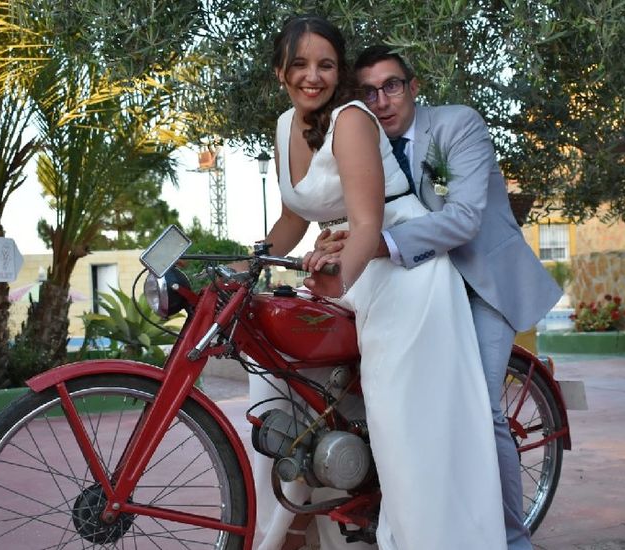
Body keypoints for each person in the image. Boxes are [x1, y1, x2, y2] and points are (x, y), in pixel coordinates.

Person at [250, 15, 508, 550]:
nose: (312, 76)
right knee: (288, 385)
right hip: (349, 269)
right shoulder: (282, 127)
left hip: (402, 277)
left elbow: (368, 224)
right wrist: (246, 263)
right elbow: (295, 219)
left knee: (402, 434)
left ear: (339, 71)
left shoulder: (350, 120)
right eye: (299, 64)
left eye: (325, 64)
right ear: (280, 72)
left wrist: (337, 280)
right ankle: (305, 518)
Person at [310, 46, 563, 550]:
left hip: (479, 283)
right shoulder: (362, 141)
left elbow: (466, 218)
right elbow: (362, 216)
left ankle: (511, 539)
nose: (381, 101)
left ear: (414, 86)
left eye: (392, 86)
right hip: (416, 282)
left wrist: (375, 243)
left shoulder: (457, 125)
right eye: (368, 91)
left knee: (481, 410)